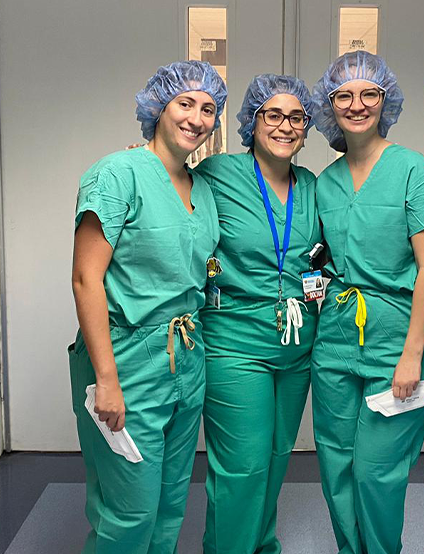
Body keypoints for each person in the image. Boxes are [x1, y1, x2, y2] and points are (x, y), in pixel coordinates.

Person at [69, 60, 226, 554]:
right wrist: (107, 380)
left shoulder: (202, 189)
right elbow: (85, 279)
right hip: (126, 359)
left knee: (170, 501)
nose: (196, 118)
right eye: (185, 103)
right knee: (130, 509)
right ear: (159, 107)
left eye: (208, 109)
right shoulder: (117, 174)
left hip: (186, 355)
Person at [311, 50, 424, 554]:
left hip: (396, 340)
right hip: (334, 341)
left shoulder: (412, 170)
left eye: (369, 93)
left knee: (376, 470)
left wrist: (413, 354)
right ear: (330, 106)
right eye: (344, 95)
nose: (357, 104)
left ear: (385, 101)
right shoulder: (324, 182)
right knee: (337, 464)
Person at [191, 74, 322, 554]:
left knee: (275, 459)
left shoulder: (311, 185)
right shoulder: (218, 174)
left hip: (296, 346)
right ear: (252, 121)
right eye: (273, 115)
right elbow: (168, 185)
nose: (285, 126)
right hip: (235, 344)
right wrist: (141, 163)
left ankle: (261, 547)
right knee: (242, 468)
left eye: (296, 117)